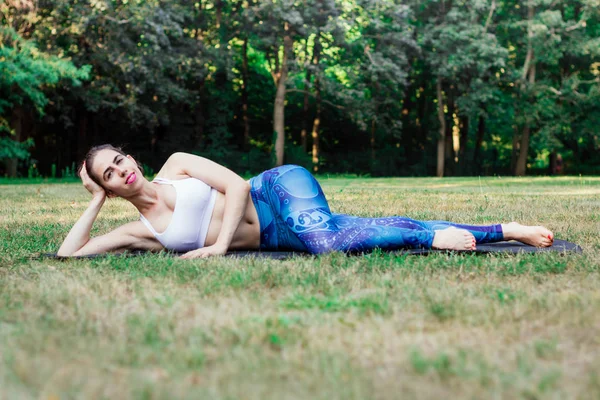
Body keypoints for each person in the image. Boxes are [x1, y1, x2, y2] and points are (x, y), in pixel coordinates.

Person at [57, 145, 555, 258]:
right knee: (353, 230)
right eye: (110, 174)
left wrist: (217, 248)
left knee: (328, 242)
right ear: (109, 186)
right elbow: (68, 256)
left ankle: (435, 237)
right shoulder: (142, 232)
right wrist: (94, 202)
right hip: (279, 234)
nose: (123, 169)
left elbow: (238, 187)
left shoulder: (177, 165)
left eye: (119, 159)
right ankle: (504, 229)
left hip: (277, 189)